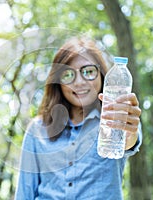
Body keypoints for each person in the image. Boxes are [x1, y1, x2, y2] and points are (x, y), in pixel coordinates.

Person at [15, 37, 142, 199]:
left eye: (88, 71)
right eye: (68, 75)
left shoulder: (117, 118)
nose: (79, 82)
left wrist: (129, 133)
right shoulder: (38, 129)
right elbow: (24, 194)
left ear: (102, 75)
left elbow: (129, 142)